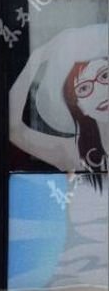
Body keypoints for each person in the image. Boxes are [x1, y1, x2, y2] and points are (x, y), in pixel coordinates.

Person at [10, 23, 108, 188]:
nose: (99, 91)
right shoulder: (71, 151)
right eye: (84, 88)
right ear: (79, 105)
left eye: (105, 75)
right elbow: (13, 128)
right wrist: (36, 57)